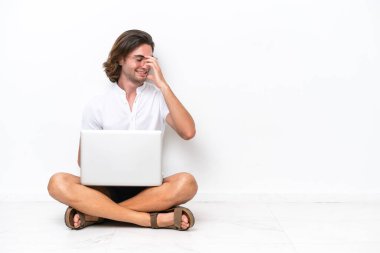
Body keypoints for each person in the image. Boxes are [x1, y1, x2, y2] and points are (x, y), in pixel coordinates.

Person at [47, 29, 198, 231]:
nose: (146, 65)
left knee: (187, 183)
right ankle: (148, 219)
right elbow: (83, 162)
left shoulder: (159, 98)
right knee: (57, 182)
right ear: (120, 59)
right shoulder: (97, 104)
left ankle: (95, 214)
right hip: (104, 189)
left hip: (149, 189)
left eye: (150, 59)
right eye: (139, 58)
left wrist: (163, 85)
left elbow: (188, 132)